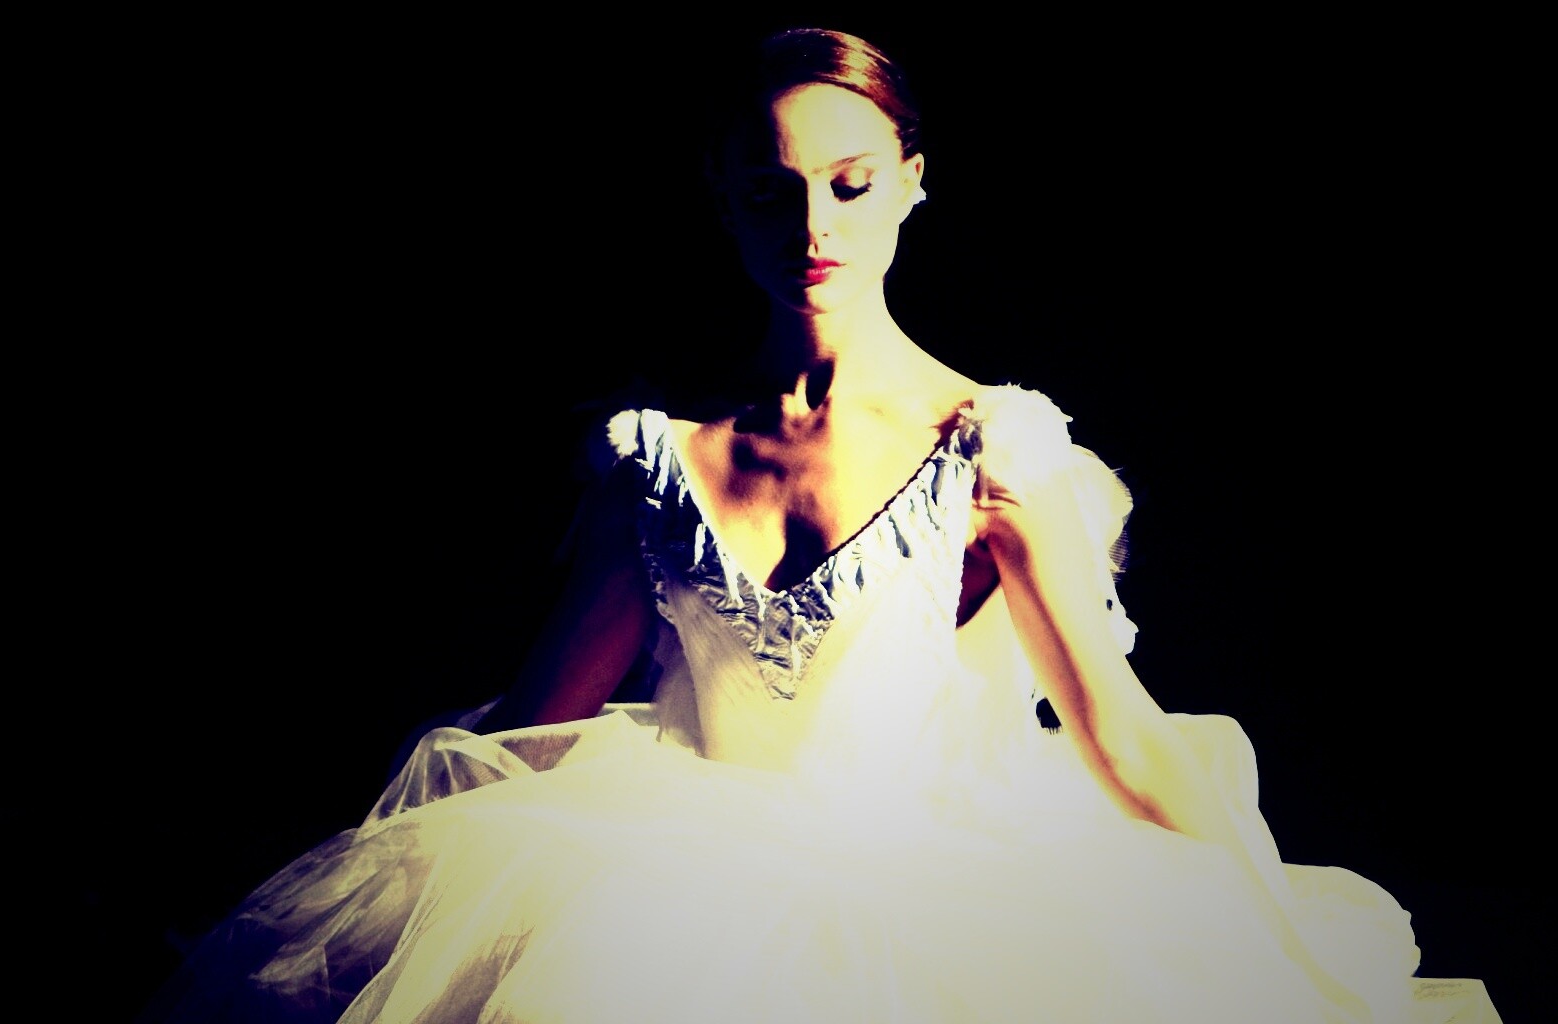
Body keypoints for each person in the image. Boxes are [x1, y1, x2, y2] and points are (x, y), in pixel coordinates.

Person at [141, 26, 1430, 1023]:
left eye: (850, 185)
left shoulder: (988, 443)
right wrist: (351, 913)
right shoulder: (660, 462)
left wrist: (1277, 949)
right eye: (771, 193)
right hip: (665, 901)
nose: (814, 226)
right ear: (723, 201)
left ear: (911, 184)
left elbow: (1122, 737)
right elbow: (535, 732)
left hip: (952, 899)